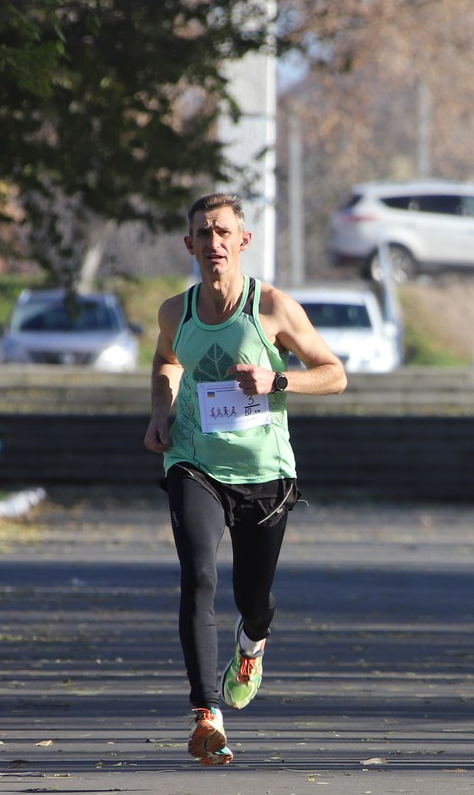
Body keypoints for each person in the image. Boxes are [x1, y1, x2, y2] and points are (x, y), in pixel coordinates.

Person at [144, 193, 346, 764]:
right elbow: (166, 362)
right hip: (194, 461)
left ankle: (251, 643)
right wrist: (160, 411)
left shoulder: (273, 307)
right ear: (189, 245)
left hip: (264, 472)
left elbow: (334, 375)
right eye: (202, 235)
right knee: (199, 578)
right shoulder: (174, 312)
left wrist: (276, 382)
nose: (213, 244)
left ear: (242, 241)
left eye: (223, 233)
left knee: (252, 599)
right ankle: (207, 715)